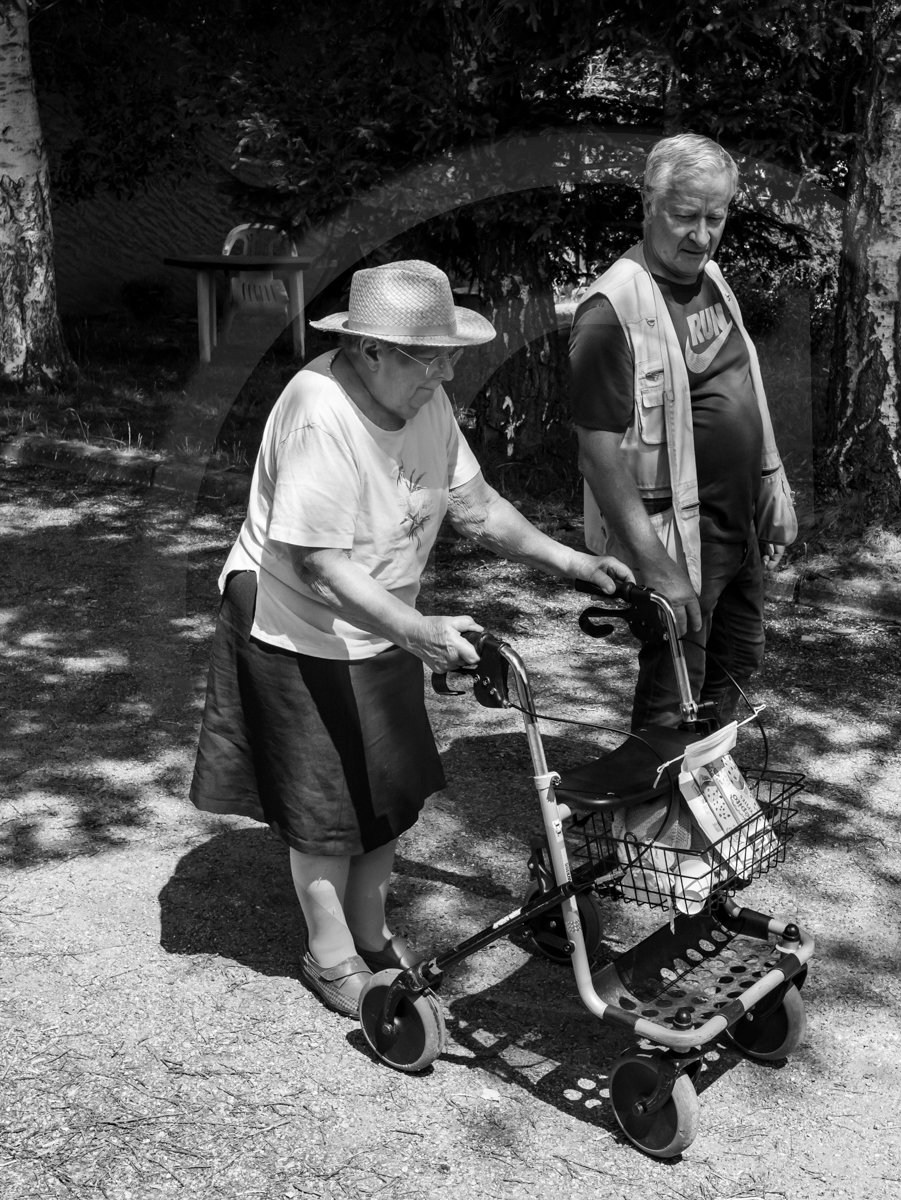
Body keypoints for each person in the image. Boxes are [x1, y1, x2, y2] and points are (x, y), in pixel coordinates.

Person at [189, 260, 632, 1016]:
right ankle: (330, 952)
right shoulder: (319, 409)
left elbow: (477, 508)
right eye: (431, 356)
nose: (449, 371)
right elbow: (317, 565)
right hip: (298, 622)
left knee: (386, 789)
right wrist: (417, 631)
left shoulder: (421, 399)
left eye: (450, 352)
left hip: (385, 616)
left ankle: (369, 931)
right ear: (370, 351)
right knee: (325, 801)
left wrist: (574, 561)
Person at [570, 132, 798, 731]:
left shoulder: (713, 279)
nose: (701, 235)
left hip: (736, 523)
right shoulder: (608, 311)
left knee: (736, 664)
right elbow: (596, 456)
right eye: (685, 217)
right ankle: (651, 819)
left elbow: (742, 386)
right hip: (679, 539)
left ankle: (702, 798)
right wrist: (654, 565)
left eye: (716, 217)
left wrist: (770, 494)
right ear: (648, 203)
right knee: (677, 687)